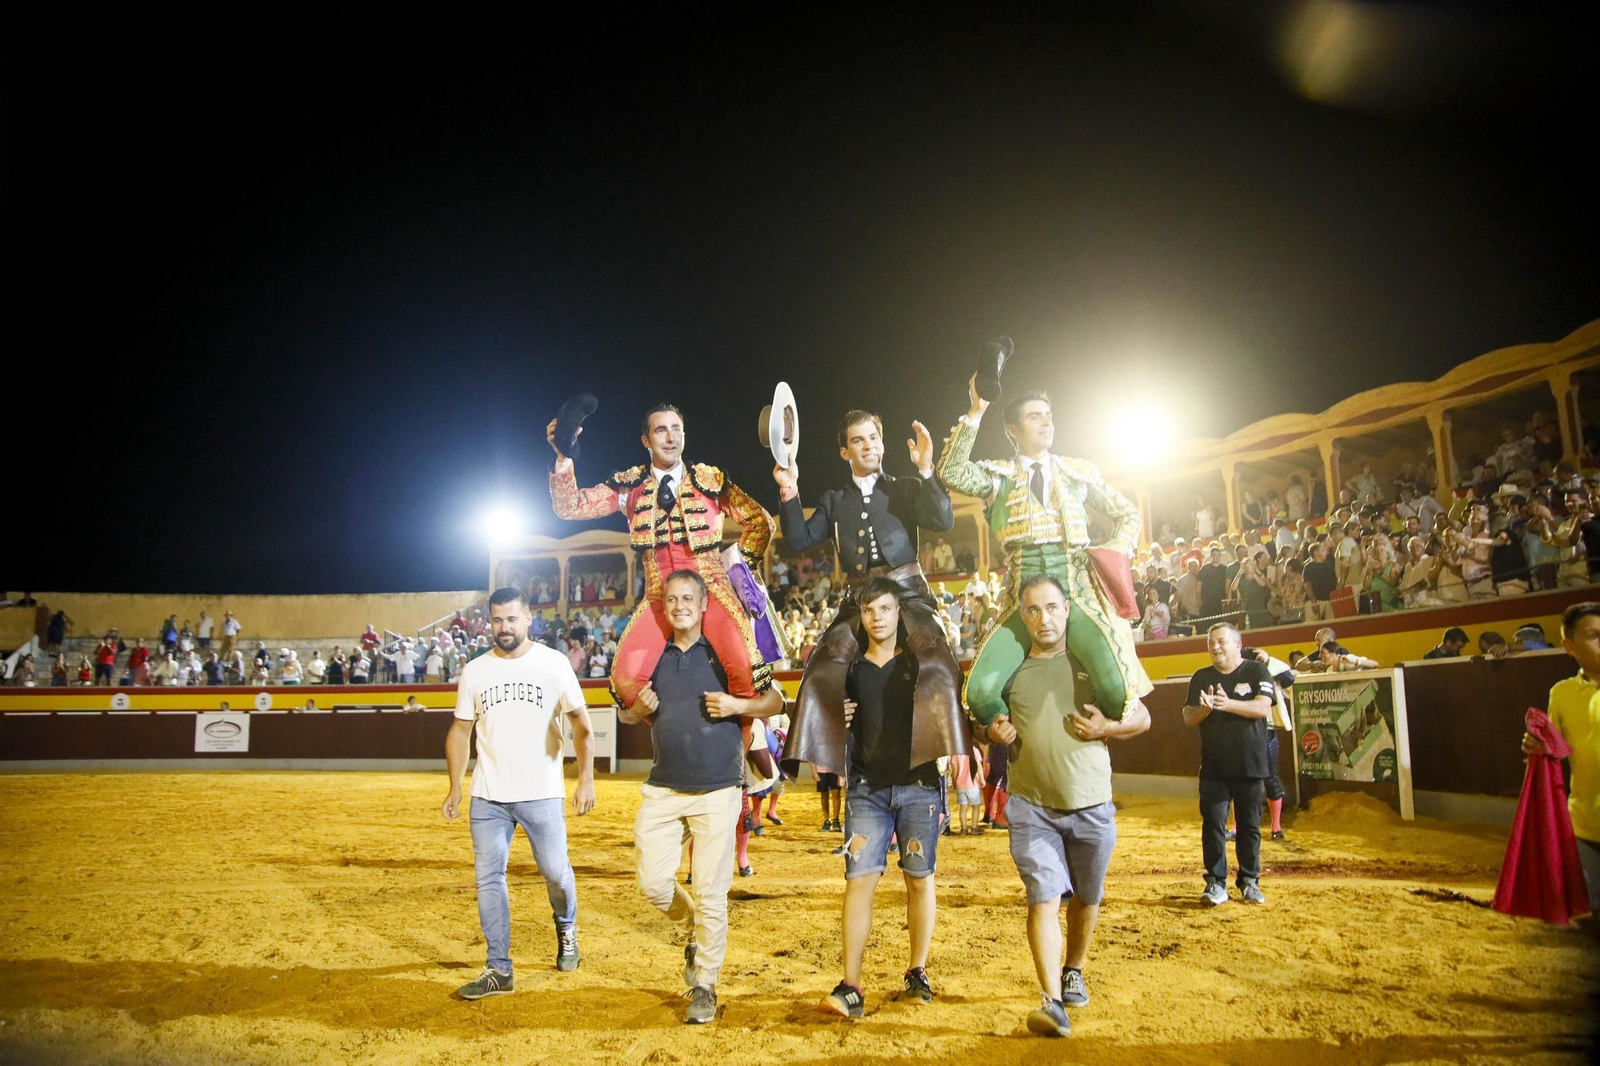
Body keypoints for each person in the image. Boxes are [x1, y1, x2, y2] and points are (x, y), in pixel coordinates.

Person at [982, 574, 1150, 1037]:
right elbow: (986, 719)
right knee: (1043, 898)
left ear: (1067, 609)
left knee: (1086, 898)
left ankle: (1074, 967)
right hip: (1031, 806)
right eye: (1033, 610)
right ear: (1022, 614)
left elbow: (1143, 716)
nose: (1044, 618)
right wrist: (992, 731)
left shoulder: (1099, 660)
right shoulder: (1009, 667)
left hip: (1092, 802)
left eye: (1052, 607)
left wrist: (1107, 730)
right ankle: (1052, 999)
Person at [936, 372, 1150, 728]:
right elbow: (951, 471)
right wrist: (976, 409)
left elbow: (1128, 513)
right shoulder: (997, 477)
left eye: (1048, 415)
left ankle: (1084, 740)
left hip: (1076, 589)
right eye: (1035, 416)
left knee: (1115, 690)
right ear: (1012, 430)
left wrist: (1114, 552)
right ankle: (1019, 740)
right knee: (980, 694)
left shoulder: (1075, 473)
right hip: (1022, 597)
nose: (1046, 422)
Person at [618, 569, 783, 1024]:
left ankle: (706, 985)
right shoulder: (653, 655)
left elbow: (778, 702)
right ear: (664, 606)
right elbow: (627, 715)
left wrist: (738, 705)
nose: (680, 606)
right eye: (672, 599)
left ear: (704, 603)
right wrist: (634, 711)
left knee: (712, 893)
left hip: (717, 789)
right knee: (653, 884)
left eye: (688, 598)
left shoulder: (727, 653)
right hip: (663, 786)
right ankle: (690, 926)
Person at [778, 409, 968, 800]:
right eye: (859, 440)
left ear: (883, 444)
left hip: (907, 594)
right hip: (858, 599)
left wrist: (928, 469)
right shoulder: (834, 500)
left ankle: (948, 753)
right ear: (845, 452)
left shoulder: (907, 487)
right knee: (818, 671)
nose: (869, 446)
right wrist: (789, 489)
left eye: (874, 438)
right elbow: (798, 540)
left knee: (938, 663)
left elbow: (944, 519)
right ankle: (831, 756)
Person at [549, 403, 778, 712]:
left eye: (676, 429)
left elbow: (760, 520)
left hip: (711, 590)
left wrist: (740, 571)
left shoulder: (708, 480)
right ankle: (669, 728)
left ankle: (742, 745)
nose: (670, 437)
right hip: (660, 594)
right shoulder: (629, 487)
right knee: (626, 678)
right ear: (646, 440)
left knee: (744, 670)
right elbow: (570, 506)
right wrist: (563, 457)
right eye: (661, 430)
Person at [443, 586, 596, 999]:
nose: (504, 627)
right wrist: (456, 785)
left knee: (555, 873)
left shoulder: (553, 663)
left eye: (511, 619)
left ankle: (566, 928)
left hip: (542, 792)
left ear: (529, 619)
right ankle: (499, 968)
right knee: (488, 878)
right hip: (488, 795)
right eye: (496, 619)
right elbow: (460, 729)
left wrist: (585, 778)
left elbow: (582, 725)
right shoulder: (475, 670)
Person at [821, 578, 948, 1019]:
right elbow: (826, 713)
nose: (877, 617)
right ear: (862, 616)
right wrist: (839, 713)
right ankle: (851, 984)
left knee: (919, 878)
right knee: (859, 882)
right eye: (870, 610)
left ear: (899, 613)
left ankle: (917, 970)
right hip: (867, 789)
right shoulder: (848, 670)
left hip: (919, 786)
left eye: (885, 609)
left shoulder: (920, 663)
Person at [1182, 623, 1276, 906]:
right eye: (1210, 643)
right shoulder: (1201, 677)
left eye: (1221, 641)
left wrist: (1227, 704)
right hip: (1213, 768)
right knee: (1213, 825)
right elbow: (1188, 716)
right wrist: (1204, 710)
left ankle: (1249, 882)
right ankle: (1215, 883)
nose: (1214, 647)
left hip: (1250, 766)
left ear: (1238, 644)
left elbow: (1262, 707)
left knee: (1248, 826)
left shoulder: (1256, 671)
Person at [1523, 601, 1600, 920]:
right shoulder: (1562, 693)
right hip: (1584, 823)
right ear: (1569, 646)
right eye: (1594, 635)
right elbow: (1554, 748)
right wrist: (1537, 748)